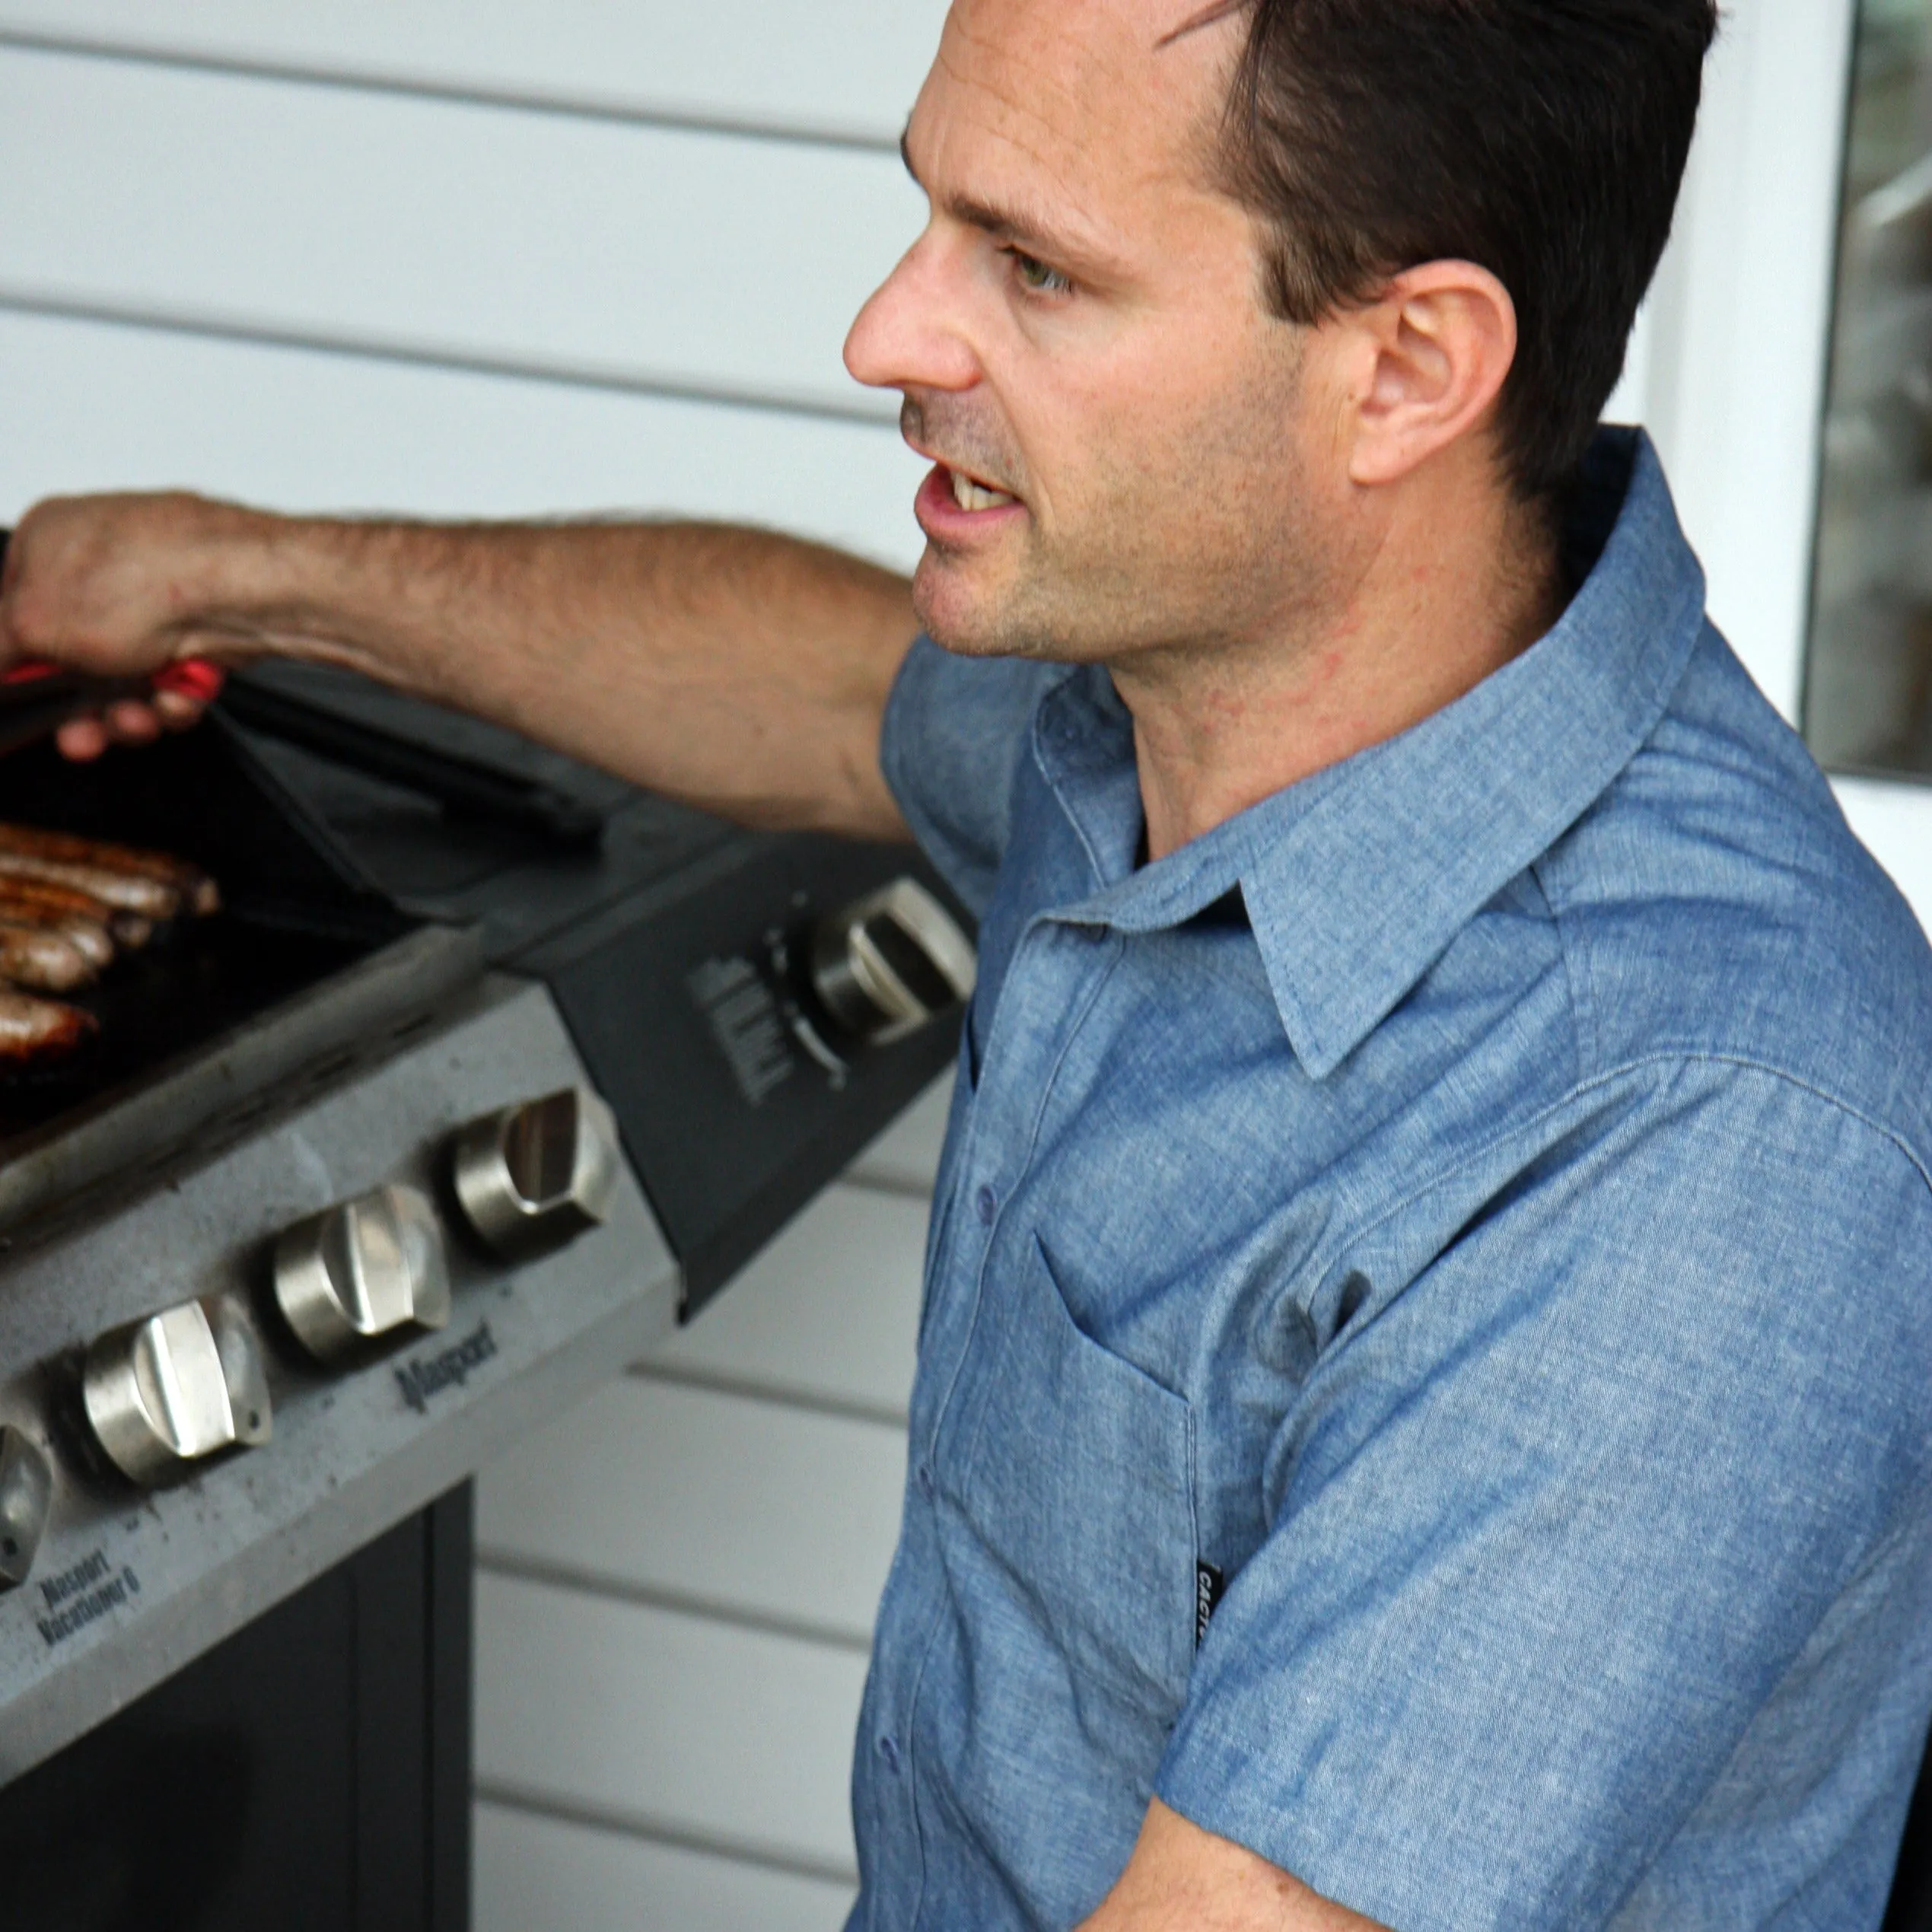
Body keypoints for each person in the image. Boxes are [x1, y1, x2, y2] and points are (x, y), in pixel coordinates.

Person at [4, 0, 1930, 1923]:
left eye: (1038, 270)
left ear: (1408, 368)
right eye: (934, 217)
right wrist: (224, 566)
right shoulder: (1187, 703)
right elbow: (837, 692)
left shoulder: (1700, 1142)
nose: (886, 336)